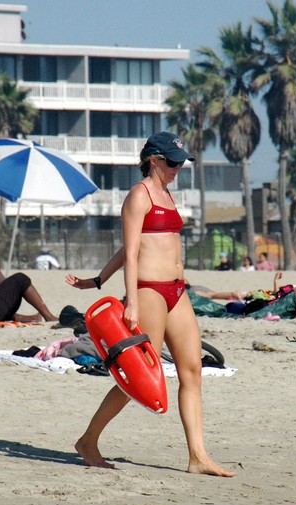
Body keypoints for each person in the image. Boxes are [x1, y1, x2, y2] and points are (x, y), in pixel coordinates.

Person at [73, 131, 233, 476]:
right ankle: (88, 440)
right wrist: (130, 301)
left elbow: (146, 242)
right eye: (173, 162)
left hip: (177, 291)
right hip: (148, 291)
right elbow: (130, 252)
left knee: (192, 370)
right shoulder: (138, 196)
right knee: (140, 374)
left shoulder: (168, 194)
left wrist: (99, 278)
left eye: (181, 163)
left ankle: (198, 457)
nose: (178, 168)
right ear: (154, 160)